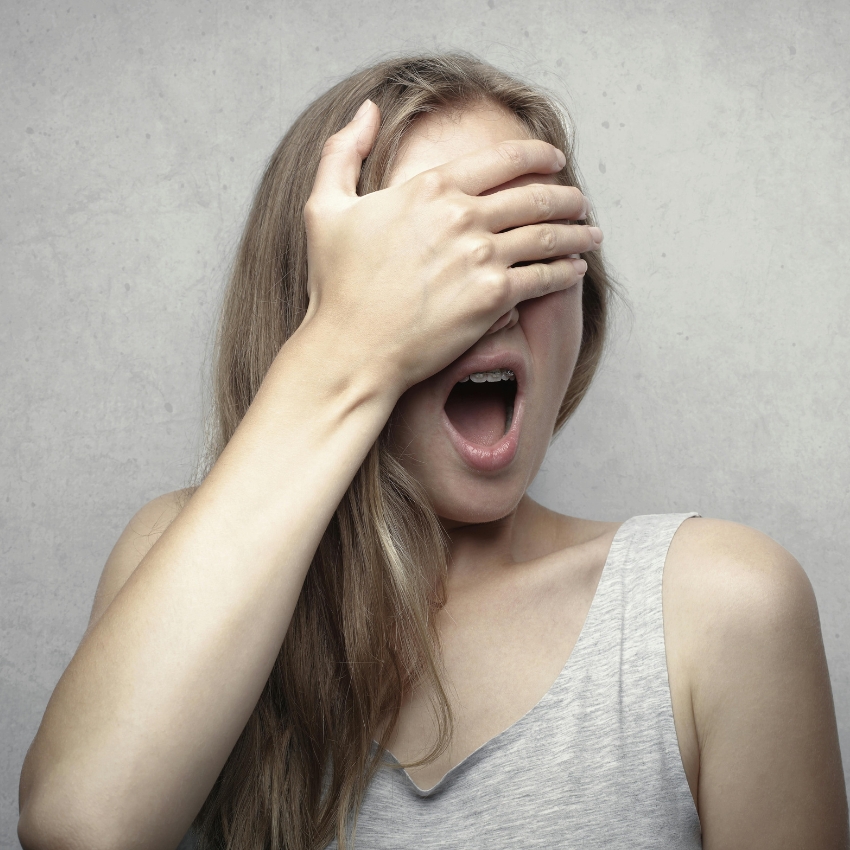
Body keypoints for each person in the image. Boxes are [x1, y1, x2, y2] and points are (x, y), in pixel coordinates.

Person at [17, 53, 848, 850]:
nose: (488, 294)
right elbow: (86, 827)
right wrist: (343, 349)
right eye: (431, 259)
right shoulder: (176, 556)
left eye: (527, 244)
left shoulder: (719, 608)